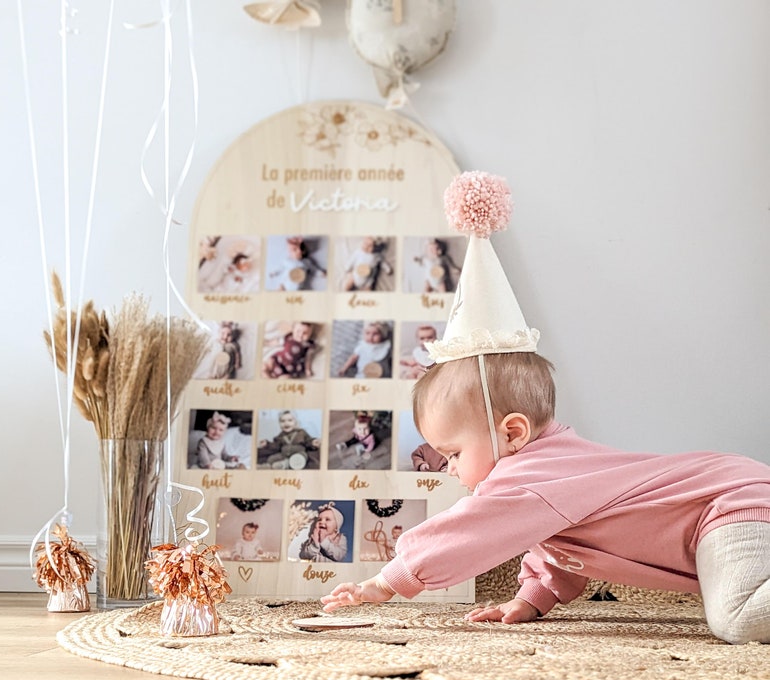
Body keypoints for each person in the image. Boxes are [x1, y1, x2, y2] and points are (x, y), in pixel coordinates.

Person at [320, 170, 770, 646]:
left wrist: (387, 581)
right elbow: (556, 547)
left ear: (512, 433)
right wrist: (533, 595)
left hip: (727, 504)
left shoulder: (527, 476)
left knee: (740, 619)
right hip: (723, 499)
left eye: (452, 452)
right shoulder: (546, 480)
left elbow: (468, 530)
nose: (447, 467)